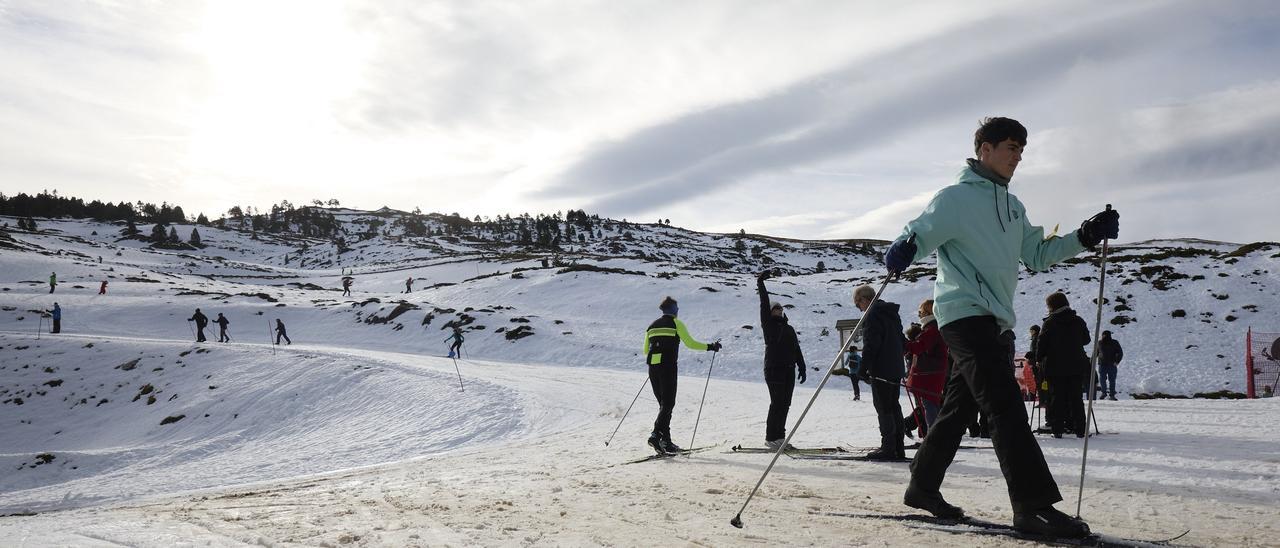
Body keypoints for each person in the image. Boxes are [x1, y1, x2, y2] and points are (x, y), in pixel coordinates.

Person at [884, 117, 1118, 538]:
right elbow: (920, 232)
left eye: (1021, 151)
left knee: (959, 409)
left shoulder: (1013, 207)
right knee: (1005, 405)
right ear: (985, 149)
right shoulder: (955, 198)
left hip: (995, 321)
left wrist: (1085, 236)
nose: (1017, 157)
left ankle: (922, 485)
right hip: (963, 314)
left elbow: (1038, 255)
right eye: (1011, 147)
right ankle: (1033, 506)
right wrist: (904, 247)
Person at [643, 296, 721, 455]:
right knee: (668, 404)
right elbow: (690, 343)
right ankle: (655, 435)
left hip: (653, 368)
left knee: (664, 406)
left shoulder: (651, 326)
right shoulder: (676, 323)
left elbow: (645, 350)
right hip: (668, 367)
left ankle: (666, 442)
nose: (678, 310)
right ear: (673, 309)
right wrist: (710, 346)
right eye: (677, 308)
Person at [854, 284, 906, 461]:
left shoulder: (872, 314)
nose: (859, 309)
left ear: (863, 299)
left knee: (884, 408)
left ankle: (888, 448)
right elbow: (901, 340)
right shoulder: (891, 313)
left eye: (858, 304)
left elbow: (872, 344)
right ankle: (898, 447)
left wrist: (862, 368)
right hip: (895, 367)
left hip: (881, 368)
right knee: (894, 406)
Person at [757, 271, 806, 449]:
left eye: (780, 308)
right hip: (773, 368)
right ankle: (771, 438)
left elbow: (796, 348)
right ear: (770, 312)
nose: (779, 310)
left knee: (786, 404)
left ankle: (780, 437)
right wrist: (761, 283)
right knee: (777, 402)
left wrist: (802, 367)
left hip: (789, 369)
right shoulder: (768, 324)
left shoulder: (789, 328)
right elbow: (764, 302)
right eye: (775, 308)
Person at [1036, 292, 1090, 438]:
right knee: (1076, 398)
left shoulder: (1049, 322)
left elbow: (1041, 344)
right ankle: (1080, 429)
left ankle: (1057, 429)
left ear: (1052, 306)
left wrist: (1038, 358)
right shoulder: (1078, 320)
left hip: (1055, 366)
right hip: (1076, 365)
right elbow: (1086, 340)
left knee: (1056, 398)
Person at [905, 299, 948, 436]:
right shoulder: (933, 327)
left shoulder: (932, 329)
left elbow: (919, 347)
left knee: (929, 405)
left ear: (927, 312)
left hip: (928, 375)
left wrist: (904, 343)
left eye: (921, 311)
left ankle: (933, 437)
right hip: (931, 373)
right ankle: (933, 435)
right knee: (930, 405)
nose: (919, 314)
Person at [1098, 330, 1123, 400]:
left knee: (1112, 380)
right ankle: (1103, 393)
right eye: (1103, 335)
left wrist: (1117, 361)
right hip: (1102, 364)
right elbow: (1096, 352)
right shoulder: (1099, 343)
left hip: (1112, 365)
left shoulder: (1114, 342)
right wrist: (1092, 361)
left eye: (1104, 335)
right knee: (1102, 380)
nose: (1103, 336)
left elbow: (1120, 352)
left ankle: (1112, 395)